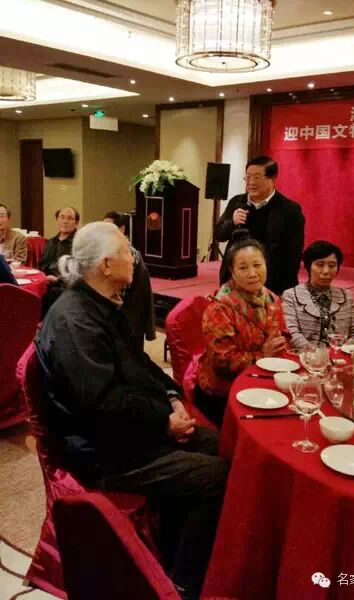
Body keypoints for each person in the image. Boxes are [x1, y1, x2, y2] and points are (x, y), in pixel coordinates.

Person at [35, 222, 228, 600]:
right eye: (126, 250)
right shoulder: (76, 321)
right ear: (106, 265)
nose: (134, 258)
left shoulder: (103, 302)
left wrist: (172, 397)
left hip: (126, 427)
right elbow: (101, 405)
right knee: (216, 476)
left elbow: (139, 365)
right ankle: (182, 583)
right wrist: (163, 422)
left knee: (215, 443)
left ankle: (173, 548)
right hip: (103, 451)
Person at [195, 237, 286, 428]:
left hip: (262, 382)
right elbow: (222, 362)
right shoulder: (220, 308)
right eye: (243, 268)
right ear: (232, 271)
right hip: (223, 393)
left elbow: (281, 337)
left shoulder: (272, 300)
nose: (252, 273)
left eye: (257, 265)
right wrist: (263, 356)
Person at [215, 155, 305, 295]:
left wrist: (286, 291)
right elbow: (219, 234)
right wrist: (232, 223)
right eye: (248, 177)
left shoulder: (289, 210)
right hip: (234, 281)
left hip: (272, 283)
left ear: (273, 179)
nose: (251, 183)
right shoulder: (237, 202)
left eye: (256, 178)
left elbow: (293, 256)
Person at [282, 240, 354, 351]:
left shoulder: (347, 296)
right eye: (320, 265)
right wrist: (317, 354)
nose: (326, 271)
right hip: (305, 356)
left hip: (340, 357)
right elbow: (292, 333)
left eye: (332, 265)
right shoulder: (291, 295)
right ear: (308, 266)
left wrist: (344, 350)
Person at [103, 211, 156, 347]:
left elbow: (117, 291)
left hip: (128, 318)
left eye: (108, 229)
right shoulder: (110, 252)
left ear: (121, 229)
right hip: (122, 317)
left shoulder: (128, 253)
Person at [39, 206, 79, 317]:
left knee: (51, 294)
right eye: (62, 217)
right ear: (57, 220)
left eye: (70, 218)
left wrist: (57, 280)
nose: (65, 221)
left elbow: (78, 272)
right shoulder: (50, 242)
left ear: (76, 223)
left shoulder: (78, 244)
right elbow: (41, 264)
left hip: (66, 286)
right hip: (47, 282)